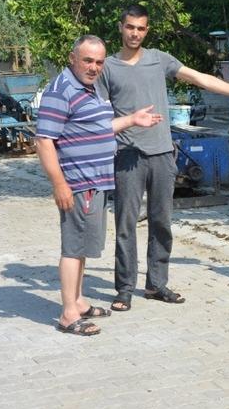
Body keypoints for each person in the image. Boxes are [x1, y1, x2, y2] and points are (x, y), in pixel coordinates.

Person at [98, 4, 229, 312]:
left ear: (147, 30)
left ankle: (156, 284)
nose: (135, 33)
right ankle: (124, 288)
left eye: (141, 28)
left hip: (163, 155)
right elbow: (99, 115)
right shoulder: (108, 68)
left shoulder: (159, 60)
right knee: (126, 224)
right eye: (130, 27)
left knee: (161, 222)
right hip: (128, 157)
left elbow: (200, 78)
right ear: (120, 27)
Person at [36, 35, 163, 336]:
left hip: (94, 182)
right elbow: (44, 141)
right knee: (73, 247)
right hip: (78, 183)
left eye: (99, 62)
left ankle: (78, 301)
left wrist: (132, 119)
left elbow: (98, 129)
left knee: (83, 247)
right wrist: (60, 185)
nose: (93, 67)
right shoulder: (61, 90)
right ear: (72, 58)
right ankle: (68, 314)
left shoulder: (88, 89)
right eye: (87, 60)